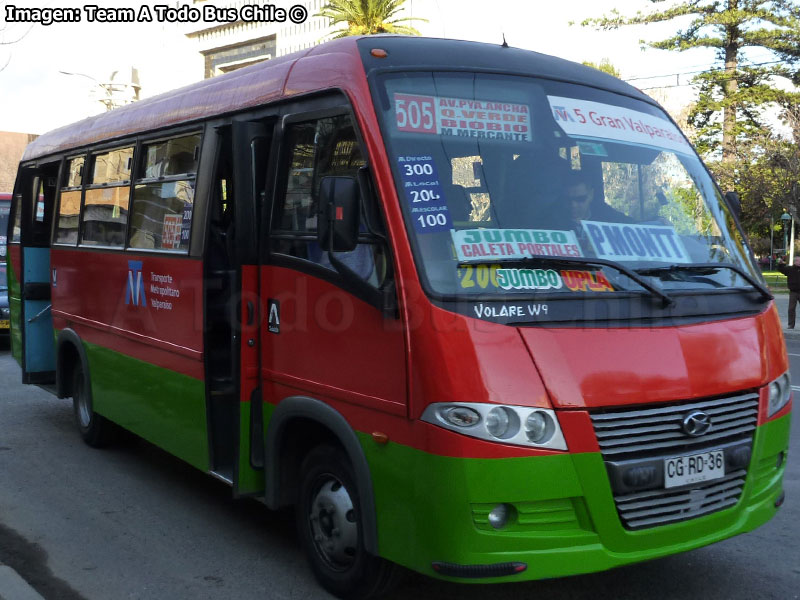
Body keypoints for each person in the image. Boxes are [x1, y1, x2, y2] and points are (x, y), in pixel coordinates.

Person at [778, 256, 800, 329]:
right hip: (793, 292)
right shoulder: (790, 269)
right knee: (791, 309)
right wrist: (781, 263)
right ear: (795, 261)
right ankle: (791, 325)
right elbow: (781, 269)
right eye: (798, 261)